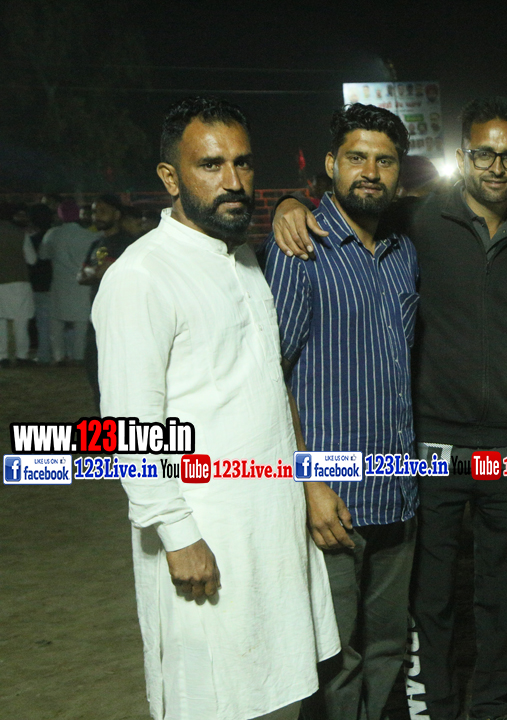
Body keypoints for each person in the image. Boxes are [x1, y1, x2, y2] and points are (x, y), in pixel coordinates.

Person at [273, 97, 507, 720]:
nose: (497, 166)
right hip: (430, 449)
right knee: (428, 598)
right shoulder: (416, 221)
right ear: (462, 156)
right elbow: (348, 202)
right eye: (484, 153)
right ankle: (435, 709)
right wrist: (289, 204)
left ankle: (493, 708)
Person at [92, 96, 339, 720]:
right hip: (206, 536)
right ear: (170, 177)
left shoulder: (243, 257)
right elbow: (126, 427)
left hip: (272, 531)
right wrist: (178, 536)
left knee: (280, 692)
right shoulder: (142, 276)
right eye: (210, 165)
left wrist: (307, 480)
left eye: (243, 163)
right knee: (211, 699)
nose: (233, 181)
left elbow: (268, 384)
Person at [264, 103, 420, 720]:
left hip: (397, 491)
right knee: (334, 660)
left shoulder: (403, 251)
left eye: (385, 160)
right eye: (357, 157)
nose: (371, 172)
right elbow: (270, 376)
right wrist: (307, 483)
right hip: (333, 502)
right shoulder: (299, 247)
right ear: (331, 164)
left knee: (386, 650)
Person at [80, 194, 136, 408]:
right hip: (96, 318)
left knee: (120, 376)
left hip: (121, 319)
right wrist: (95, 272)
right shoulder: (96, 243)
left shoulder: (126, 243)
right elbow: (81, 276)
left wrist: (94, 272)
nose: (97, 216)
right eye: (95, 211)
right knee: (95, 373)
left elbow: (100, 272)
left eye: (103, 211)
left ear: (117, 214)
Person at [38, 200, 95, 364]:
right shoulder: (88, 236)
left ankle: (59, 356)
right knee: (81, 323)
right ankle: (78, 356)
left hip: (59, 284)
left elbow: (43, 255)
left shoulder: (52, 234)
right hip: (81, 284)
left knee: (56, 322)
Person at [0, 204, 35, 368]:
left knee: (0, 322)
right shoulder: (20, 233)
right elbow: (32, 259)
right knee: (20, 321)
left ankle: (2, 356)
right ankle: (22, 355)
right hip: (19, 281)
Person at [25, 203, 55, 364]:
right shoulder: (54, 235)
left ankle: (43, 354)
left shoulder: (32, 239)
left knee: (42, 323)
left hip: (37, 285)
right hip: (55, 283)